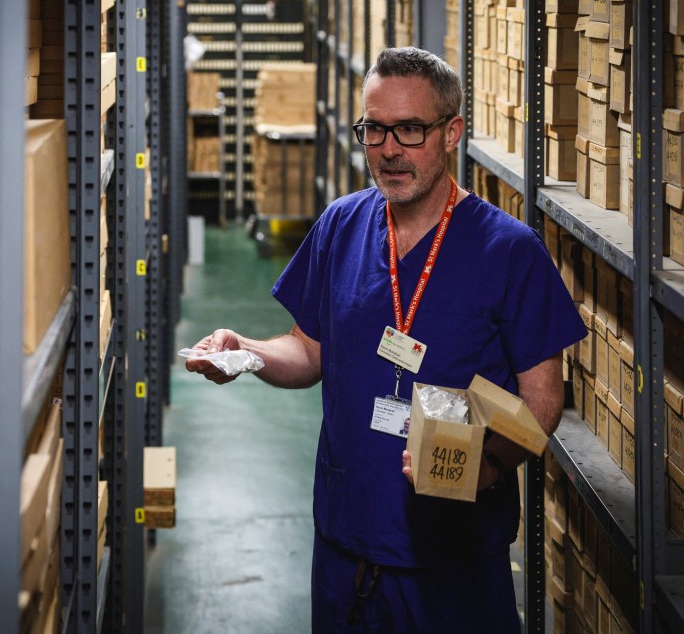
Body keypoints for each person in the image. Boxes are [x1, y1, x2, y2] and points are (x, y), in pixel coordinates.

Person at [185, 47, 586, 633]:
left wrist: (489, 467)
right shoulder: (340, 226)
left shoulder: (509, 250)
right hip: (346, 542)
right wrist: (245, 353)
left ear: (451, 133)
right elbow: (309, 349)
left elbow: (542, 400)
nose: (389, 149)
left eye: (410, 130)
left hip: (452, 559)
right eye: (374, 129)